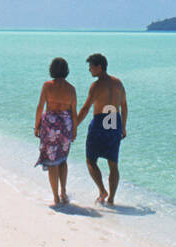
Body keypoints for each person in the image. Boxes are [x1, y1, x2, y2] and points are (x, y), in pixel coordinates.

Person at [76, 53, 127, 205]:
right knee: (113, 163)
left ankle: (102, 191)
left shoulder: (96, 86)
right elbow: (124, 106)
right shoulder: (118, 83)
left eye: (91, 67)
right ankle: (111, 199)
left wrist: (73, 127)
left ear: (99, 67)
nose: (89, 70)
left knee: (91, 160)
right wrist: (123, 127)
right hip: (114, 119)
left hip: (101, 120)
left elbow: (85, 108)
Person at [33, 57, 77, 206]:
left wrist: (36, 125)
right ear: (66, 71)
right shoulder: (71, 89)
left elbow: (40, 107)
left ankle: (56, 197)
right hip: (65, 125)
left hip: (50, 125)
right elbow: (73, 112)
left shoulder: (47, 86)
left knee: (52, 162)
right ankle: (63, 192)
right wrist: (75, 131)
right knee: (63, 160)